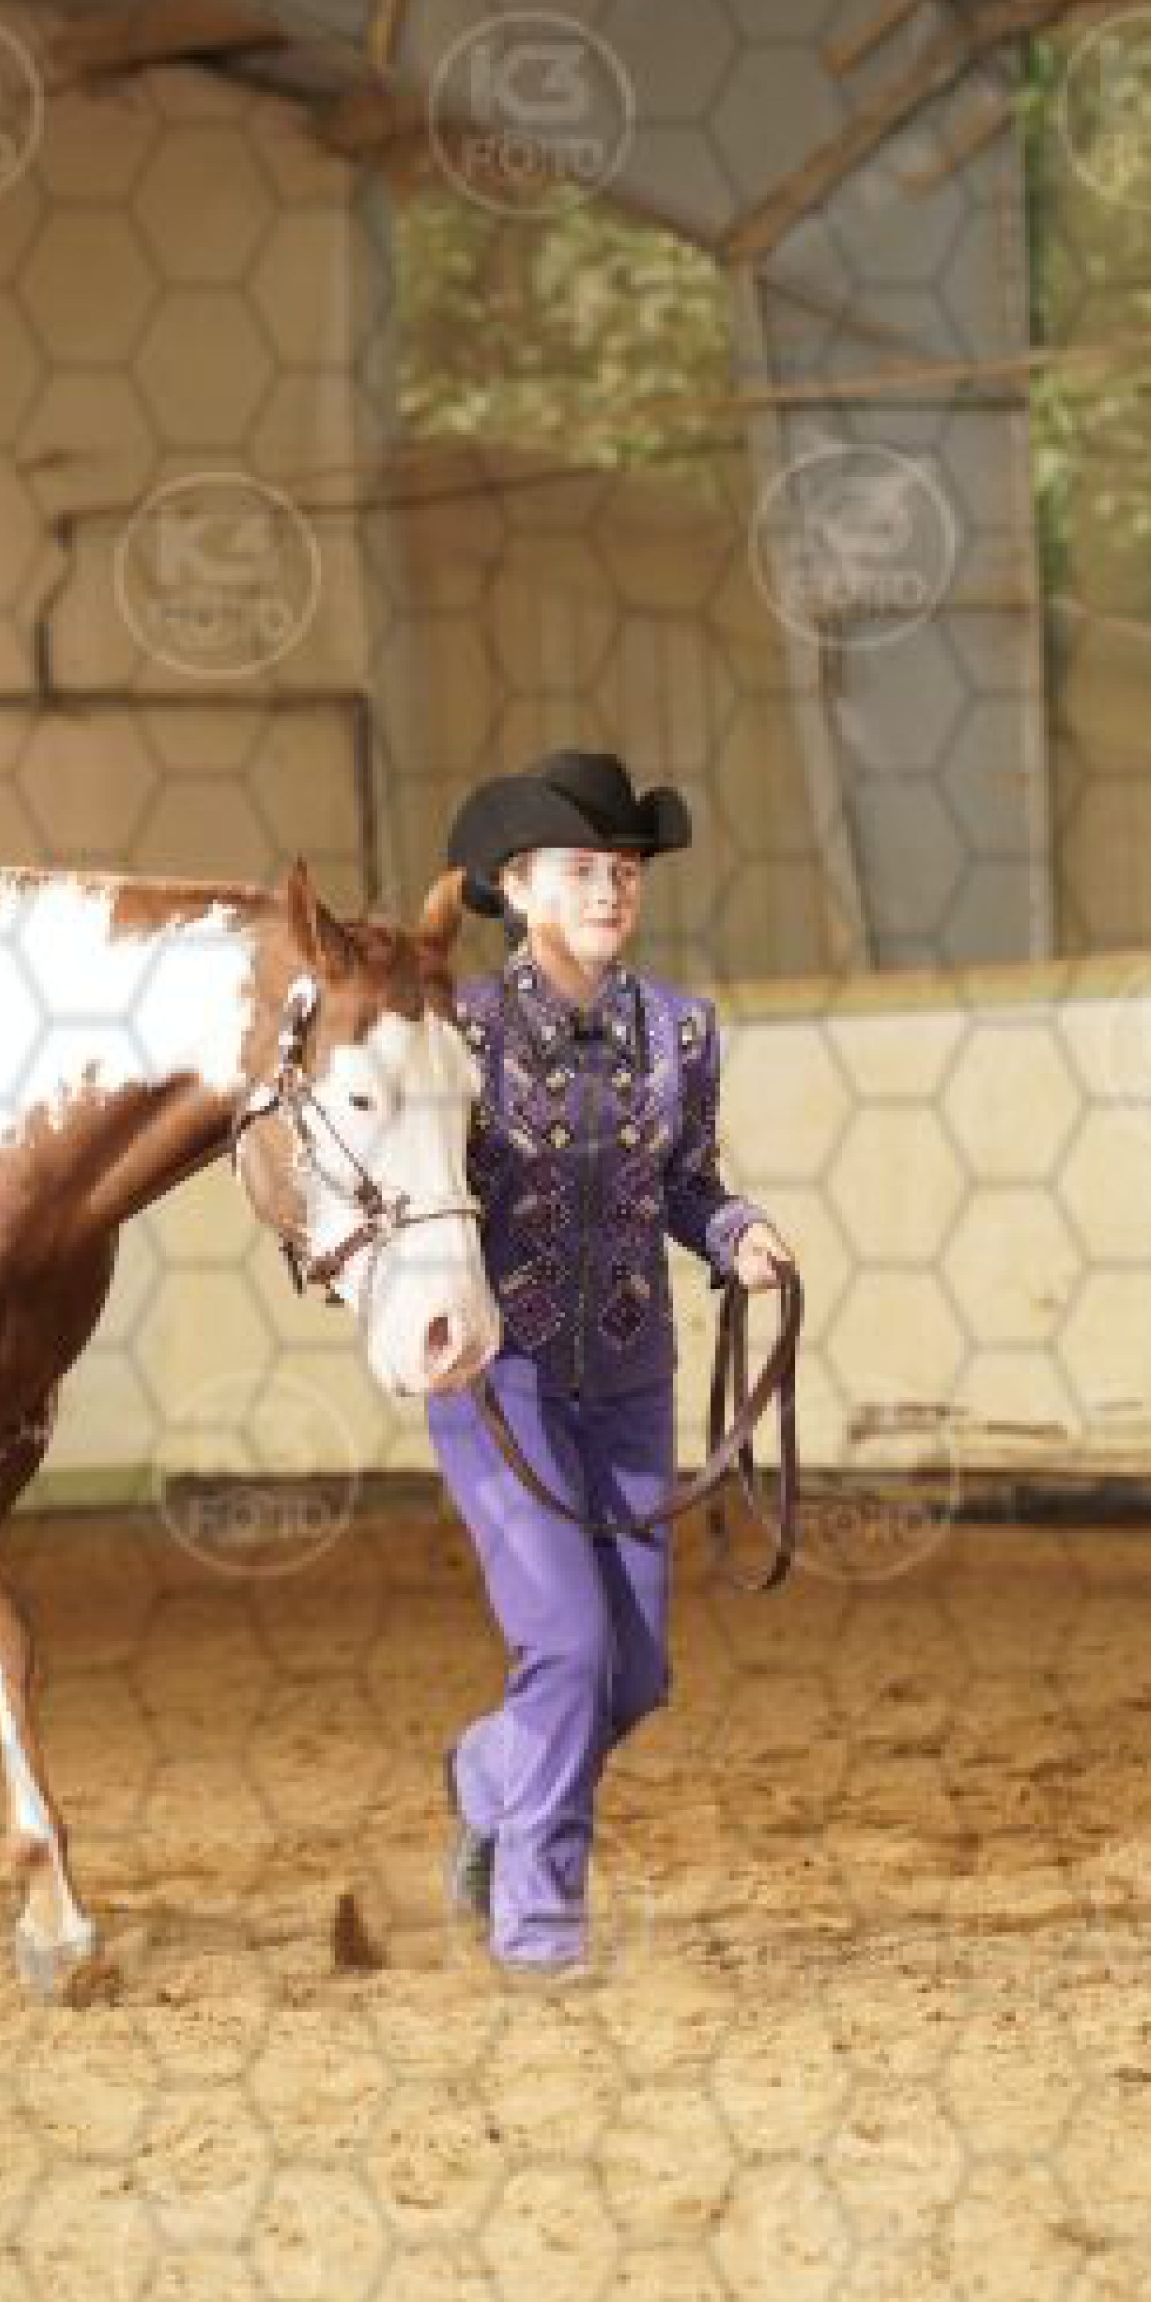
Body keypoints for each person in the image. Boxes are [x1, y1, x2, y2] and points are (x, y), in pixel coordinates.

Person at [430, 748, 794, 1982]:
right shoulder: (456, 1035)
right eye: (581, 869)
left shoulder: (680, 1031)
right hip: (501, 1385)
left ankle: (487, 1771)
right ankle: (538, 1922)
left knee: (631, 1675)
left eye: (624, 870)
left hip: (631, 1383)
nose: (609, 888)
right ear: (517, 886)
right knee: (569, 1649)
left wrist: (735, 1233)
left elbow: (686, 1181)